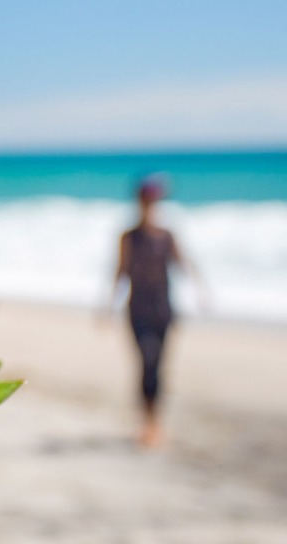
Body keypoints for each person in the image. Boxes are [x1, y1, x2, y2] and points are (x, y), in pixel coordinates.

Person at [108, 175, 206, 448]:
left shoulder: (166, 236)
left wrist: (201, 291)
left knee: (159, 366)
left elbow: (184, 263)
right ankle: (147, 422)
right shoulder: (129, 237)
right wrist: (107, 305)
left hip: (163, 309)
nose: (150, 205)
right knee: (145, 363)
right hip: (137, 308)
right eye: (147, 200)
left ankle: (155, 421)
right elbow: (120, 272)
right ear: (139, 201)